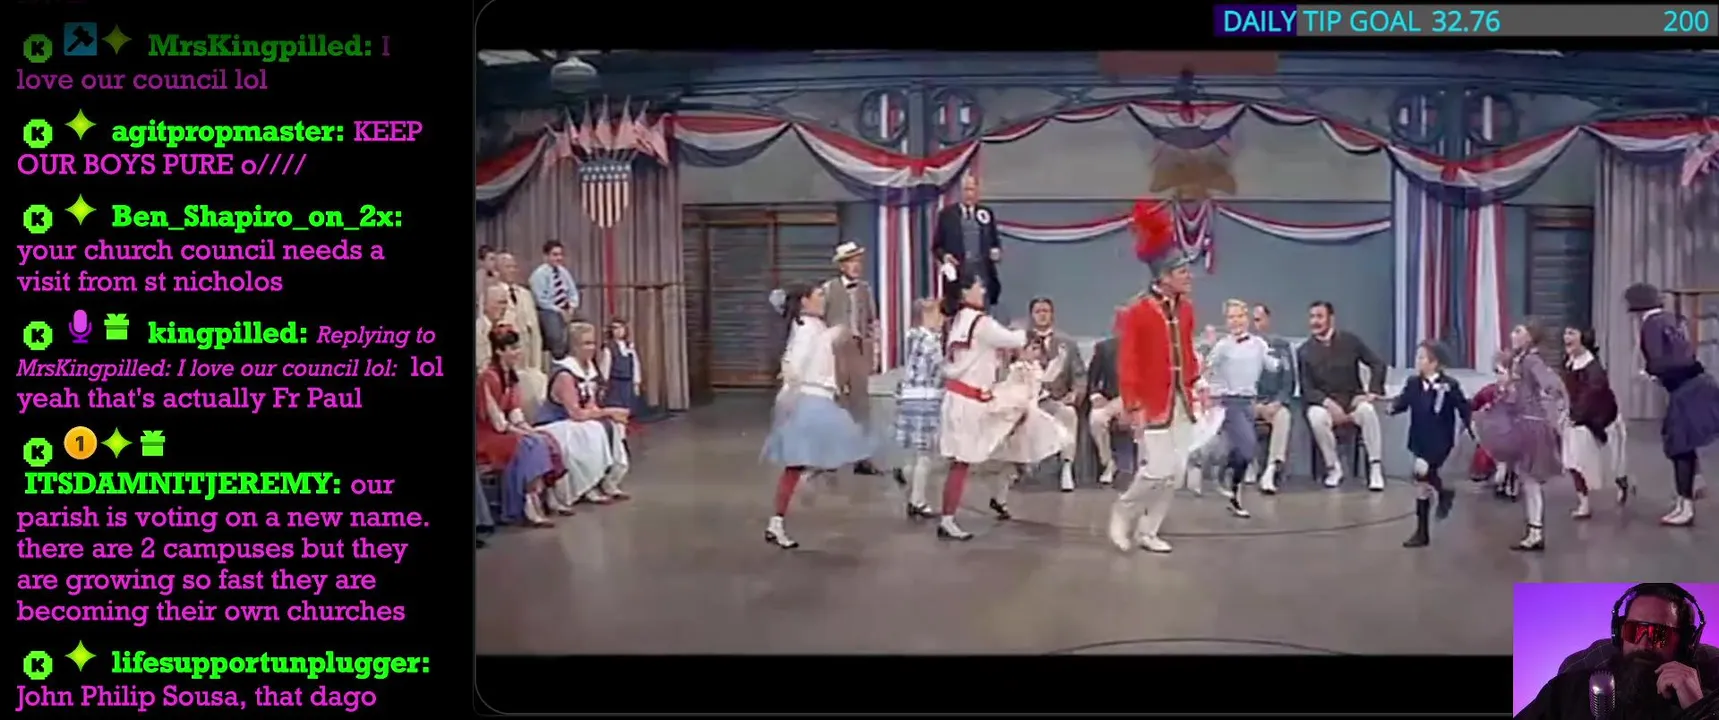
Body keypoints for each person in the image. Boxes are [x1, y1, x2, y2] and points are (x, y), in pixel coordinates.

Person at [1108, 201, 1202, 555]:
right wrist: (1133, 405)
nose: (1189, 277)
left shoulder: (1187, 310)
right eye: (1182, 271)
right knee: (1157, 468)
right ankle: (1124, 510)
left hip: (1181, 401)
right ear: (1163, 276)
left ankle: (1149, 531)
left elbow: (1187, 353)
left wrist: (1197, 384)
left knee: (1176, 473)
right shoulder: (1138, 312)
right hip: (1152, 402)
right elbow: (1128, 362)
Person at [760, 283, 875, 549]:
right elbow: (796, 363)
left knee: (812, 459)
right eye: (819, 295)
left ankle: (779, 518)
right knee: (830, 451)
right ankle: (781, 516)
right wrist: (791, 394)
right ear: (805, 301)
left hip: (818, 398)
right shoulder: (806, 328)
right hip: (810, 399)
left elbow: (821, 347)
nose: (823, 299)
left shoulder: (813, 326)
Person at [1516, 583, 1713, 720]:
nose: (1643, 644)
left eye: (1659, 634)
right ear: (1619, 633)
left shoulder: (1704, 702)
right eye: (1634, 630)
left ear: (1684, 643)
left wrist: (1698, 709)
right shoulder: (1566, 692)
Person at [935, 272, 1029, 541]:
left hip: (959, 399)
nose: (984, 290)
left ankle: (986, 500)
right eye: (979, 286)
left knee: (964, 459)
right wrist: (1023, 328)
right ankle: (949, 518)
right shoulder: (981, 323)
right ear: (966, 292)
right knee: (963, 461)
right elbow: (1014, 340)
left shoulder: (958, 320)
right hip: (968, 402)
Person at [1626, 282, 1719, 527]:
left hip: (1687, 390)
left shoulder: (1650, 324)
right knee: (1682, 444)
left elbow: (1660, 360)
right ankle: (1685, 499)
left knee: (1679, 445)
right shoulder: (1669, 319)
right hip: (1697, 385)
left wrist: (1650, 373)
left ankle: (1686, 505)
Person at [1473, 322, 1569, 551]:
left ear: (1530, 336)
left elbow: (1549, 384)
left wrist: (1555, 401)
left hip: (1530, 425)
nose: (1512, 334)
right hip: (1524, 422)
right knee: (1528, 481)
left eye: (1518, 331)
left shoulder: (1531, 360)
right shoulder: (1522, 360)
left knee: (1530, 481)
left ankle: (1535, 532)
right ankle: (1534, 530)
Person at [1202, 299, 1283, 518]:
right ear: (1226, 321)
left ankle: (1233, 492)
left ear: (1247, 319)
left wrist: (1278, 356)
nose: (1236, 321)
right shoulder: (1223, 346)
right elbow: (1205, 368)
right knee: (1247, 447)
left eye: (1239, 316)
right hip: (1229, 401)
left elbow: (1273, 367)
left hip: (1249, 402)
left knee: (1244, 451)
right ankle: (1223, 474)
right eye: (1231, 317)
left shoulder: (1259, 344)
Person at [1387, 340, 1472, 548]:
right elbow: (1404, 401)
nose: (1418, 361)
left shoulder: (1450, 385)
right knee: (1422, 482)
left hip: (1440, 440)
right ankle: (1426, 523)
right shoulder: (1413, 383)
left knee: (1422, 473)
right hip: (1419, 439)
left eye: (1422, 358)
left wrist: (1473, 427)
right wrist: (1393, 407)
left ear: (1434, 363)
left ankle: (1430, 517)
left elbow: (1463, 408)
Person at [477, 325, 563, 528]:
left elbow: (515, 412)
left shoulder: (511, 377)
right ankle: (527, 504)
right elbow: (497, 421)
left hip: (505, 430)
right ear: (499, 351)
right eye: (512, 348)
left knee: (543, 438)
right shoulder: (487, 378)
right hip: (487, 435)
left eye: (518, 347)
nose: (518, 352)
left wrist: (528, 429)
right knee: (528, 443)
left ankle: (542, 497)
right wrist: (523, 433)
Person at [537, 322, 630, 508]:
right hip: (556, 423)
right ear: (574, 346)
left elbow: (590, 405)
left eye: (593, 343)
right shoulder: (565, 374)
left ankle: (608, 479)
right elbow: (576, 413)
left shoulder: (589, 369)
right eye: (586, 344)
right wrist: (609, 411)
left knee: (611, 426)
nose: (591, 348)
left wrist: (608, 415)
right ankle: (587, 485)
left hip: (575, 422)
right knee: (591, 431)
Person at [1298, 300, 1389, 490]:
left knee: (1368, 411)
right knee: (1315, 417)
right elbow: (1307, 388)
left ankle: (1375, 468)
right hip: (1326, 406)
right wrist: (1327, 403)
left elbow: (1377, 364)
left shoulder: (1350, 341)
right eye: (1312, 317)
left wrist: (1372, 392)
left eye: (1319, 316)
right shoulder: (1304, 351)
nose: (1314, 321)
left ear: (1331, 319)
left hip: (1352, 402)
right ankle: (1333, 468)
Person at [990, 337, 1074, 517]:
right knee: (1014, 461)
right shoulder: (1018, 369)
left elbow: (1048, 377)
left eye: (1037, 349)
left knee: (1020, 460)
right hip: (1021, 416)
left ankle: (1000, 497)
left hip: (1032, 417)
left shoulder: (1035, 367)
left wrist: (1060, 358)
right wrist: (1016, 415)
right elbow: (1011, 393)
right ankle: (1000, 497)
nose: (1035, 352)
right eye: (1031, 348)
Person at [820, 242, 884, 476]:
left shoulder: (865, 289)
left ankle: (862, 458)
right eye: (850, 262)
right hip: (836, 352)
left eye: (858, 261)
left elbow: (872, 321)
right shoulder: (829, 289)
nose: (856, 266)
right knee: (836, 402)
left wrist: (873, 351)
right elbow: (820, 322)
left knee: (861, 405)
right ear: (841, 266)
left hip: (858, 350)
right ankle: (830, 456)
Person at [1560, 326, 1624, 520]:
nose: (1566, 337)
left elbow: (1591, 396)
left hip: (1601, 420)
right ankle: (1584, 503)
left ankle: (1622, 482)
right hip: (1579, 421)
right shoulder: (1568, 362)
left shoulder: (1593, 368)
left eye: (1572, 333)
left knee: (1614, 463)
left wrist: (1576, 415)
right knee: (1574, 462)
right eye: (1566, 333)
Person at [892, 297, 945, 520]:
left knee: (916, 453)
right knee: (925, 453)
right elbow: (940, 370)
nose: (942, 319)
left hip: (910, 397)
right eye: (939, 314)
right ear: (926, 315)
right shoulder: (930, 342)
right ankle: (918, 501)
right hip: (926, 398)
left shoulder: (912, 339)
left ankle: (908, 480)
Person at [1026, 297, 1085, 491]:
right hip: (1027, 401)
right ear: (1031, 315)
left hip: (1056, 400)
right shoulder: (1021, 341)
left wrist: (1075, 394)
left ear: (1052, 314)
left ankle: (1067, 467)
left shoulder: (1067, 343)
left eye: (1046, 311)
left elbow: (1079, 375)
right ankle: (1020, 467)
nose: (1042, 315)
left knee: (1068, 414)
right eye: (1038, 311)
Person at [932, 174, 1003, 312]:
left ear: (977, 191)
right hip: (958, 276)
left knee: (983, 314)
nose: (969, 194)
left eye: (971, 189)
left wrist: (996, 252)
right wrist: (945, 256)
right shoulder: (947, 215)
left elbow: (994, 242)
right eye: (965, 190)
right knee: (959, 314)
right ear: (959, 192)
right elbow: (937, 247)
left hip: (982, 275)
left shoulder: (986, 213)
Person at [1251, 304, 1296, 494]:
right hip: (1249, 402)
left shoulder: (1281, 346)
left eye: (1258, 320)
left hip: (1273, 403)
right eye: (1251, 321)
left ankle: (1271, 469)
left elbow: (1288, 380)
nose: (1254, 325)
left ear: (1267, 321)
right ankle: (1248, 464)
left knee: (1284, 416)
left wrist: (1277, 402)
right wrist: (1256, 405)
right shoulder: (1240, 347)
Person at [1084, 326, 1125, 486]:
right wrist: (1095, 395)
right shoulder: (1104, 348)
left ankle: (1148, 467)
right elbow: (1092, 378)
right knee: (1097, 418)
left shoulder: (1151, 346)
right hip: (1113, 399)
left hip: (1142, 400)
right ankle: (1108, 463)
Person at [530, 239, 580, 360]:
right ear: (546, 256)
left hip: (565, 308)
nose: (559, 258)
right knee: (555, 331)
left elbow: (573, 292)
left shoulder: (564, 272)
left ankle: (571, 359)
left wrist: (572, 307)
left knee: (578, 332)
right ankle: (558, 358)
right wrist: (559, 311)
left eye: (560, 255)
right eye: (555, 255)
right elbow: (541, 300)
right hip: (548, 310)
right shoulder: (539, 275)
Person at [495, 252, 544, 374]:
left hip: (526, 357)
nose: (512, 270)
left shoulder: (526, 294)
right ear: (498, 270)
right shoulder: (492, 293)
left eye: (514, 267)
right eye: (508, 267)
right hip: (506, 355)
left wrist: (536, 364)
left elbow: (535, 331)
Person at [599, 317, 643, 416]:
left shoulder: (629, 346)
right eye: (615, 328)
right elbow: (605, 367)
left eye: (621, 328)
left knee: (628, 410)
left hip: (628, 384)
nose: (618, 331)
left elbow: (635, 365)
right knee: (616, 409)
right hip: (615, 384)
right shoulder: (609, 347)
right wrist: (603, 385)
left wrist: (636, 383)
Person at [476, 283, 511, 373]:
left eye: (505, 303)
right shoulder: (479, 331)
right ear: (485, 305)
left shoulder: (505, 329)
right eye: (500, 302)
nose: (504, 307)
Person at [476, 243, 498, 309]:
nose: (495, 262)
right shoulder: (478, 277)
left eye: (495, 259)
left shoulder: (496, 275)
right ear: (482, 261)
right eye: (491, 259)